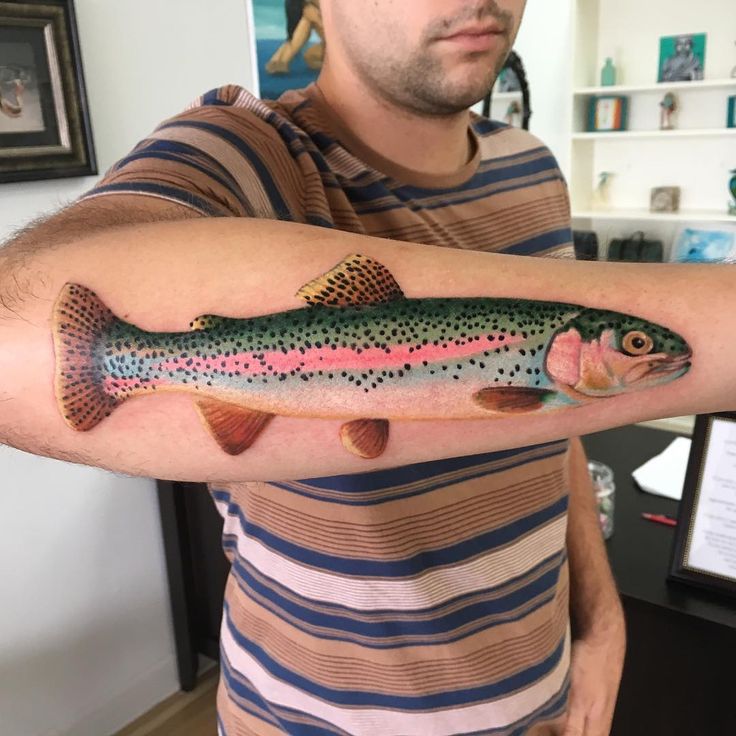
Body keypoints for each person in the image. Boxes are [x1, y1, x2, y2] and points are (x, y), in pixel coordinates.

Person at [4, 1, 736, 734]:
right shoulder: (247, 154)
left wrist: (600, 625)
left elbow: (555, 423)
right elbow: (18, 337)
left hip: (537, 704)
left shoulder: (533, 166)